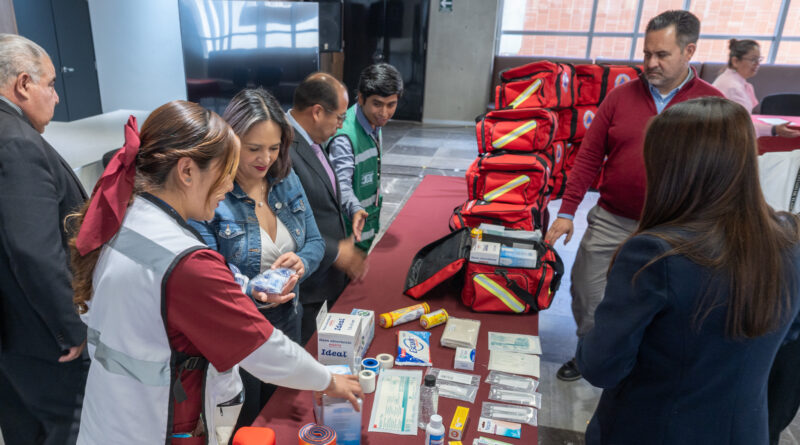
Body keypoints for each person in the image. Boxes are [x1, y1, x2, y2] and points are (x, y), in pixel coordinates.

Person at [69, 100, 362, 444]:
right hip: (155, 424)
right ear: (187, 171)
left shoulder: (125, 215)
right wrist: (328, 380)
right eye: (225, 173)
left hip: (108, 415)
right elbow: (262, 348)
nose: (227, 187)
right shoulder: (187, 262)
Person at [575, 96, 800, 445]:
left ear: (670, 167)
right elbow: (787, 333)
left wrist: (597, 325)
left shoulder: (654, 253)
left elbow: (602, 366)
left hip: (651, 431)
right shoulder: (790, 239)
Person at [544, 10, 723, 381]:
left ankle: (643, 365)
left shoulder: (712, 104)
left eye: (662, 55)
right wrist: (567, 211)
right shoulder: (620, 97)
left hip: (678, 226)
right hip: (613, 218)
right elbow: (589, 156)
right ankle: (592, 355)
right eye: (646, 53)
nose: (650, 63)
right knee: (587, 288)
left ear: (689, 51)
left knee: (664, 299)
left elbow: (726, 169)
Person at [189, 88, 325, 429]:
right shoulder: (212, 195)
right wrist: (252, 290)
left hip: (288, 320)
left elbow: (315, 242)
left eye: (274, 147)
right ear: (231, 140)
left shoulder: (286, 178)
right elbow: (208, 277)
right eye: (254, 148)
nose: (265, 159)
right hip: (240, 333)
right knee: (246, 424)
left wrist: (302, 263)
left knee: (282, 418)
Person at [0, 33, 88, 445]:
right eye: (50, 84)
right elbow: (33, 250)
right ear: (23, 84)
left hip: (13, 335)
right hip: (42, 339)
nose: (55, 96)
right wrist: (69, 328)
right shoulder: (18, 142)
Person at [286, 73, 369, 345]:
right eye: (340, 117)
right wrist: (335, 251)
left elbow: (327, 190)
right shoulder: (283, 148)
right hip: (308, 281)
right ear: (318, 112)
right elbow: (286, 222)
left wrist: (351, 208)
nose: (342, 125)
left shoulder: (312, 140)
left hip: (326, 275)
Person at [329, 63, 403, 252]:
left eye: (391, 105)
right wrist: (355, 209)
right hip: (347, 233)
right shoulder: (344, 137)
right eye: (377, 104)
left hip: (365, 227)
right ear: (361, 98)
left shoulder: (374, 123)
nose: (384, 113)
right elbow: (341, 185)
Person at [712, 39, 800, 139]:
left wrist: (774, 129)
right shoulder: (733, 87)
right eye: (753, 59)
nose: (757, 63)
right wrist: (774, 129)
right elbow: (741, 127)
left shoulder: (731, 80)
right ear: (735, 61)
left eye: (759, 59)